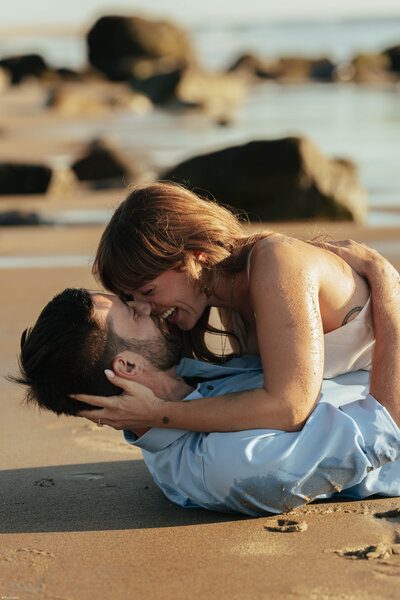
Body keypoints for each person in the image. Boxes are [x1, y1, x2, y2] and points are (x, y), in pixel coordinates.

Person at [14, 241, 400, 515]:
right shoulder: (226, 465)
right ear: (128, 368)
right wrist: (387, 289)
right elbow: (385, 428)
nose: (146, 308)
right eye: (132, 313)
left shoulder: (195, 385)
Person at [91, 182, 375, 433]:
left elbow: (290, 406)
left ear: (195, 256)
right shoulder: (230, 300)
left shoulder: (275, 263)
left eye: (148, 291)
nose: (146, 308)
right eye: (132, 298)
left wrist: (157, 414)